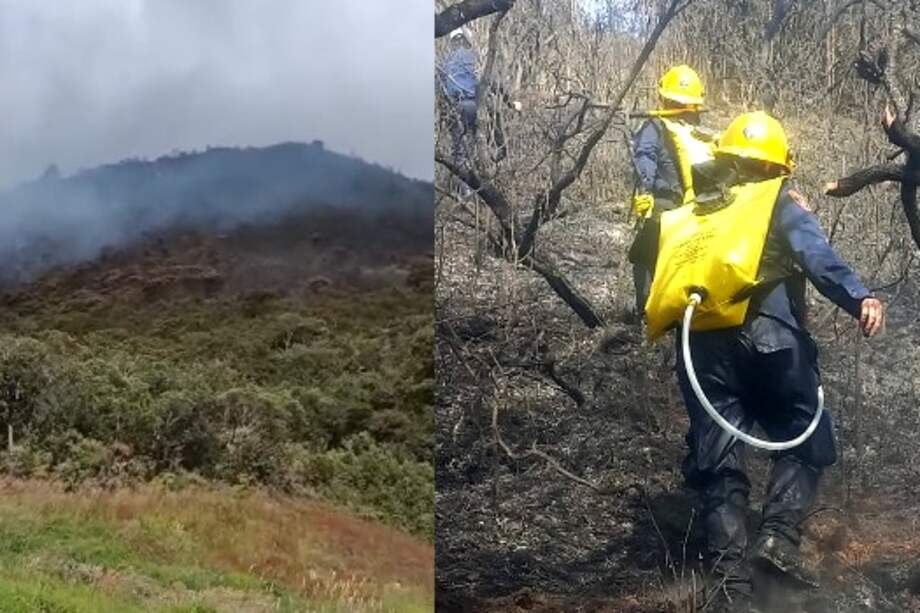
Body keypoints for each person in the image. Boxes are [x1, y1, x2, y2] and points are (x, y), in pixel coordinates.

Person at [661, 112, 884, 611]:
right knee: (806, 431)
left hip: (700, 349)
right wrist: (860, 298)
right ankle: (777, 540)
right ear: (776, 167)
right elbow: (817, 258)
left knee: (719, 462)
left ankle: (729, 590)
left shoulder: (695, 212)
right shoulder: (778, 203)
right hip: (770, 342)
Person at [628, 64, 717, 319]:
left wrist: (645, 189)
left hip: (667, 204)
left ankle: (647, 313)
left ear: (664, 97)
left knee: (644, 255)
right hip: (699, 204)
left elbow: (645, 156)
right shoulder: (696, 129)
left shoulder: (656, 126)